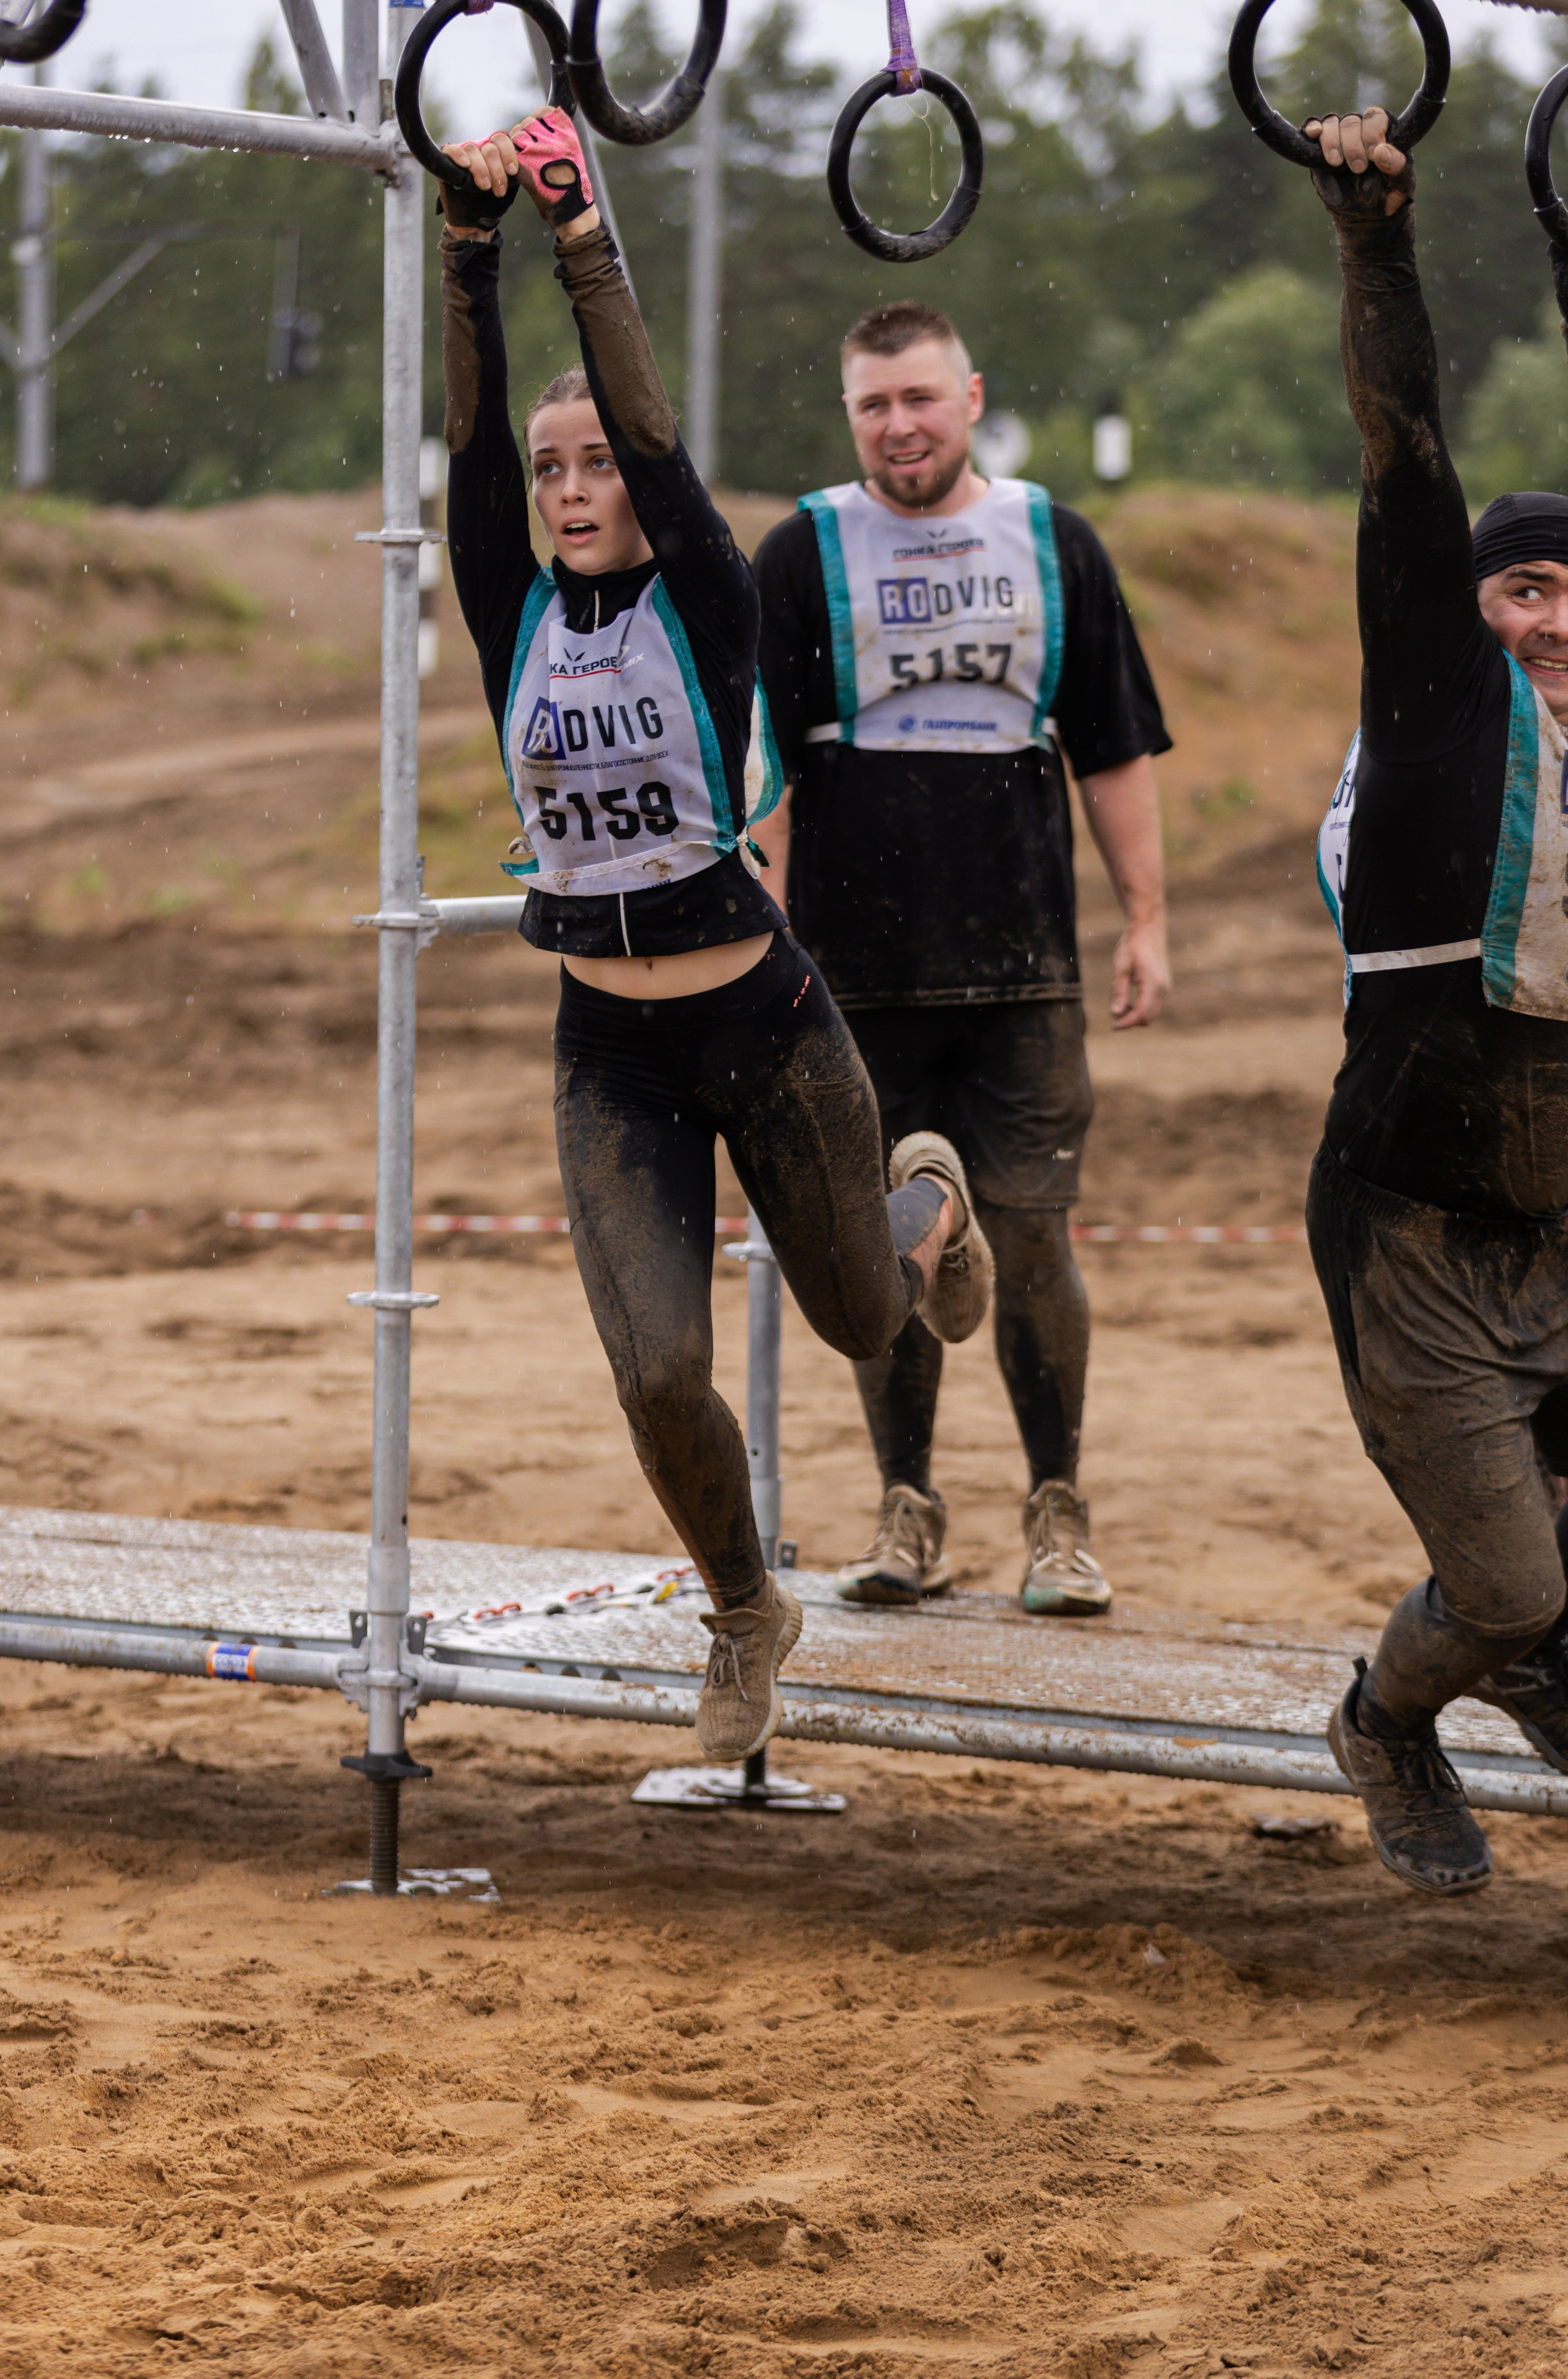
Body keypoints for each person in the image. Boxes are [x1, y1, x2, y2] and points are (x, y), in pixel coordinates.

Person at [434, 107, 993, 1764]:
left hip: (765, 1015)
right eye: (554, 470)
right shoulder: (511, 602)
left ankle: (925, 1206)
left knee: (859, 1328)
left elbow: (661, 443)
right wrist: (466, 257)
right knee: (660, 1375)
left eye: (593, 460)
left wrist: (576, 230)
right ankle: (745, 1605)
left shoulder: (710, 591)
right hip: (609, 1045)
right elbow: (467, 455)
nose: (570, 486)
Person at [754, 302, 1171, 1616]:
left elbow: (1108, 748)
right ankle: (907, 1508)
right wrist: (761, 940)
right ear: (848, 414)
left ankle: (1057, 1513)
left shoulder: (1053, 541)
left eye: (920, 399)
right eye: (873, 404)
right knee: (881, 1252)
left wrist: (1144, 920)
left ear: (970, 395)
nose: (899, 427)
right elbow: (759, 763)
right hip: (851, 980)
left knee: (1034, 1246)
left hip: (1023, 973)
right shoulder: (801, 550)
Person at [1302, 103, 1568, 1896]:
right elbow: (1406, 453)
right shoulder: (1433, 714)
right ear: (1469, 609)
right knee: (1503, 1590)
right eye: (1525, 588)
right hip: (1415, 1249)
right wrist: (1375, 240)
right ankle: (1390, 1720)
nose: (1558, 619)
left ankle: (1549, 1659)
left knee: (1552, 1599)